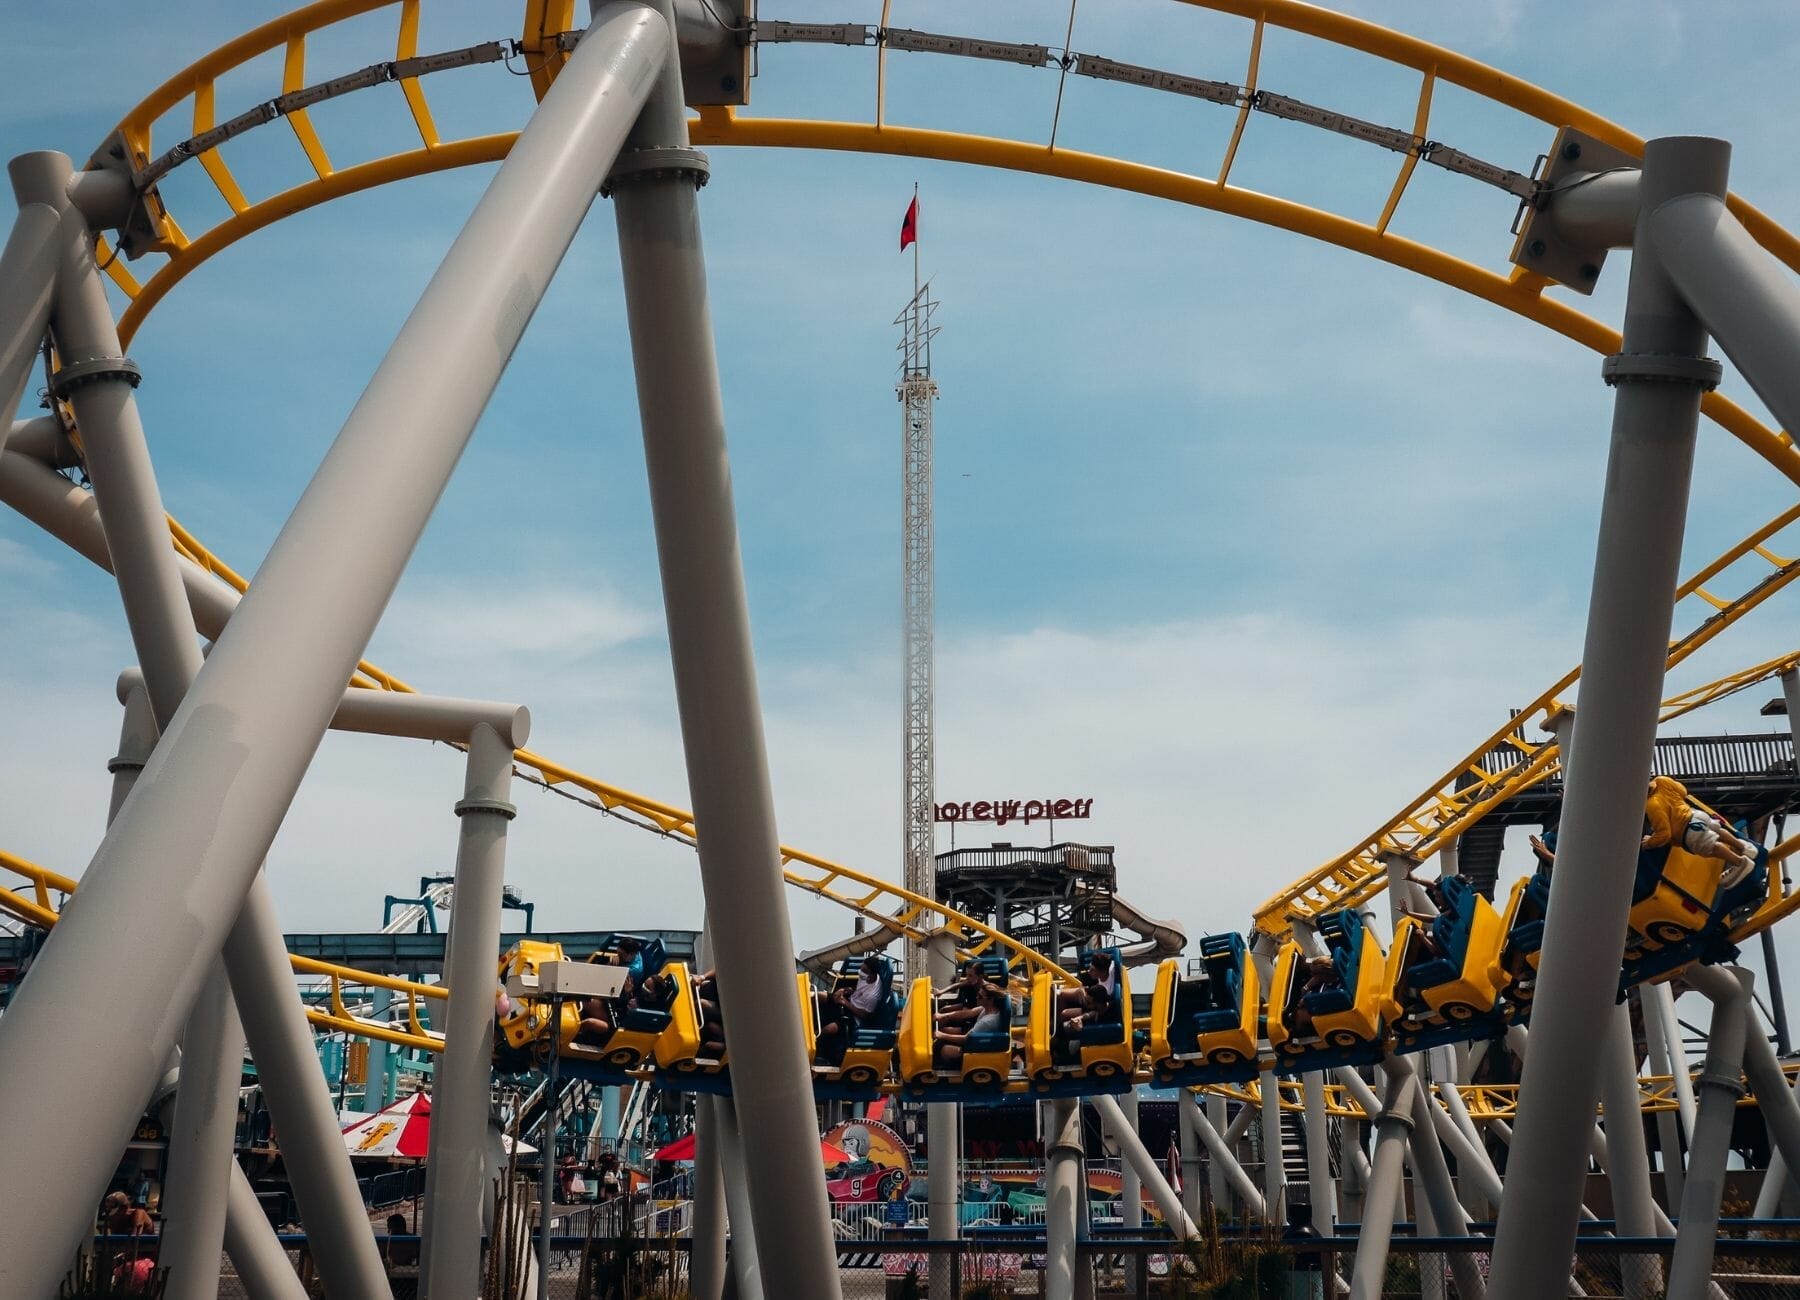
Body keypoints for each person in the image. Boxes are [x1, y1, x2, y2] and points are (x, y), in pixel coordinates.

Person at [935, 984, 1008, 1070]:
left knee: (941, 1049)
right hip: (975, 1040)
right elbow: (967, 1013)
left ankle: (943, 1068)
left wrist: (941, 1035)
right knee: (944, 1031)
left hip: (975, 1049)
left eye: (980, 996)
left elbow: (966, 1039)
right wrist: (943, 1016)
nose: (977, 997)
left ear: (990, 999)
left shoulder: (988, 1022)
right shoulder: (987, 1008)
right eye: (978, 994)